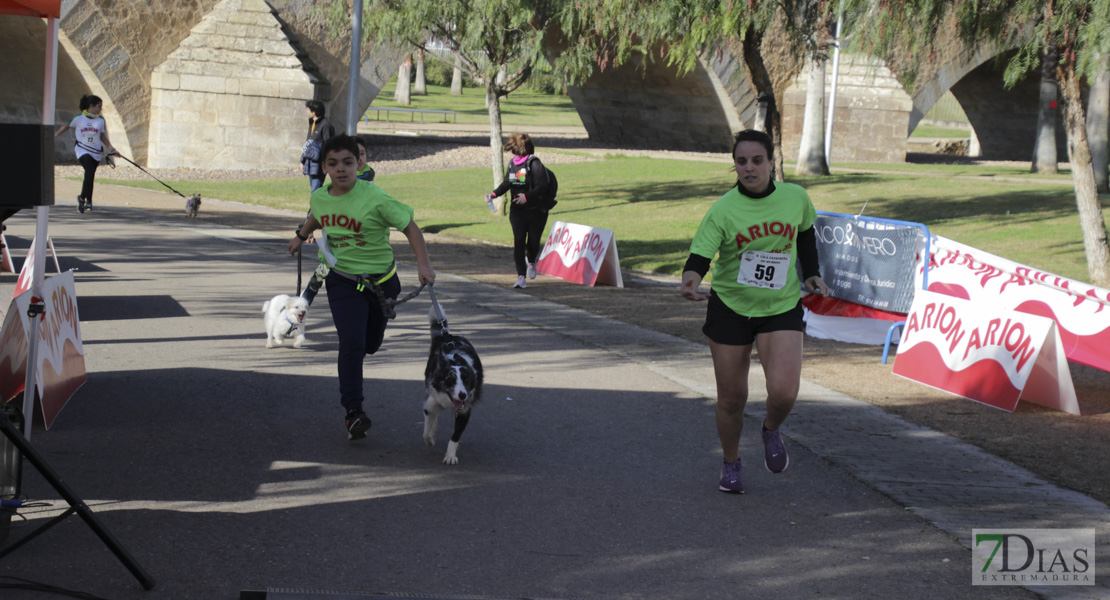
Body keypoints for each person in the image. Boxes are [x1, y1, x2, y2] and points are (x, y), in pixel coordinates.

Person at [680, 129, 830, 495]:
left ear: (771, 162)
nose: (749, 168)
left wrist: (811, 273)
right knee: (732, 398)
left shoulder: (795, 197)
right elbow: (701, 255)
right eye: (741, 161)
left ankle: (771, 428)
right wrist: (691, 280)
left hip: (780, 306)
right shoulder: (724, 209)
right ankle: (731, 463)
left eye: (756, 161)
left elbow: (806, 232)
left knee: (784, 392)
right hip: (730, 308)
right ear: (735, 165)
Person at [288, 134, 435, 441]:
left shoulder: (375, 197)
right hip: (342, 279)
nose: (340, 169)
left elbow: (410, 227)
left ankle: (365, 349)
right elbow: (317, 215)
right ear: (325, 167)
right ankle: (354, 412)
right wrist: (301, 236)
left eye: (347, 162)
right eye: (333, 163)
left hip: (382, 283)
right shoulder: (320, 196)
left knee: (370, 344)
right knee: (352, 344)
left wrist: (423, 265)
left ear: (359, 163)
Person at [484, 133, 555, 289]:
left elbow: (542, 186)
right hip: (517, 212)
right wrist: (494, 194)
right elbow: (507, 183)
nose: (513, 154)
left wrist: (527, 197)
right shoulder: (512, 164)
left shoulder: (535, 164)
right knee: (519, 242)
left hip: (536, 211)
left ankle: (531, 261)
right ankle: (521, 278)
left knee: (534, 242)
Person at [54, 94, 117, 214]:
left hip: (96, 151)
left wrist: (112, 149)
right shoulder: (78, 118)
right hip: (82, 150)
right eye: (99, 106)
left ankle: (85, 198)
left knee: (90, 175)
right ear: (91, 106)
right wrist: (56, 135)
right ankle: (85, 198)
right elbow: (66, 126)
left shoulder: (100, 120)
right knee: (88, 171)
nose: (100, 109)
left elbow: (102, 136)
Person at [302, 100, 336, 194]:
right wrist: (303, 160)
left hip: (319, 164)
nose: (307, 112)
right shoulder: (312, 123)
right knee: (313, 188)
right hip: (311, 161)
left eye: (308, 110)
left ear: (314, 112)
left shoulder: (326, 126)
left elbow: (329, 146)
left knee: (316, 189)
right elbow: (308, 143)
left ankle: (314, 208)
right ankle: (314, 207)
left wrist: (327, 164)